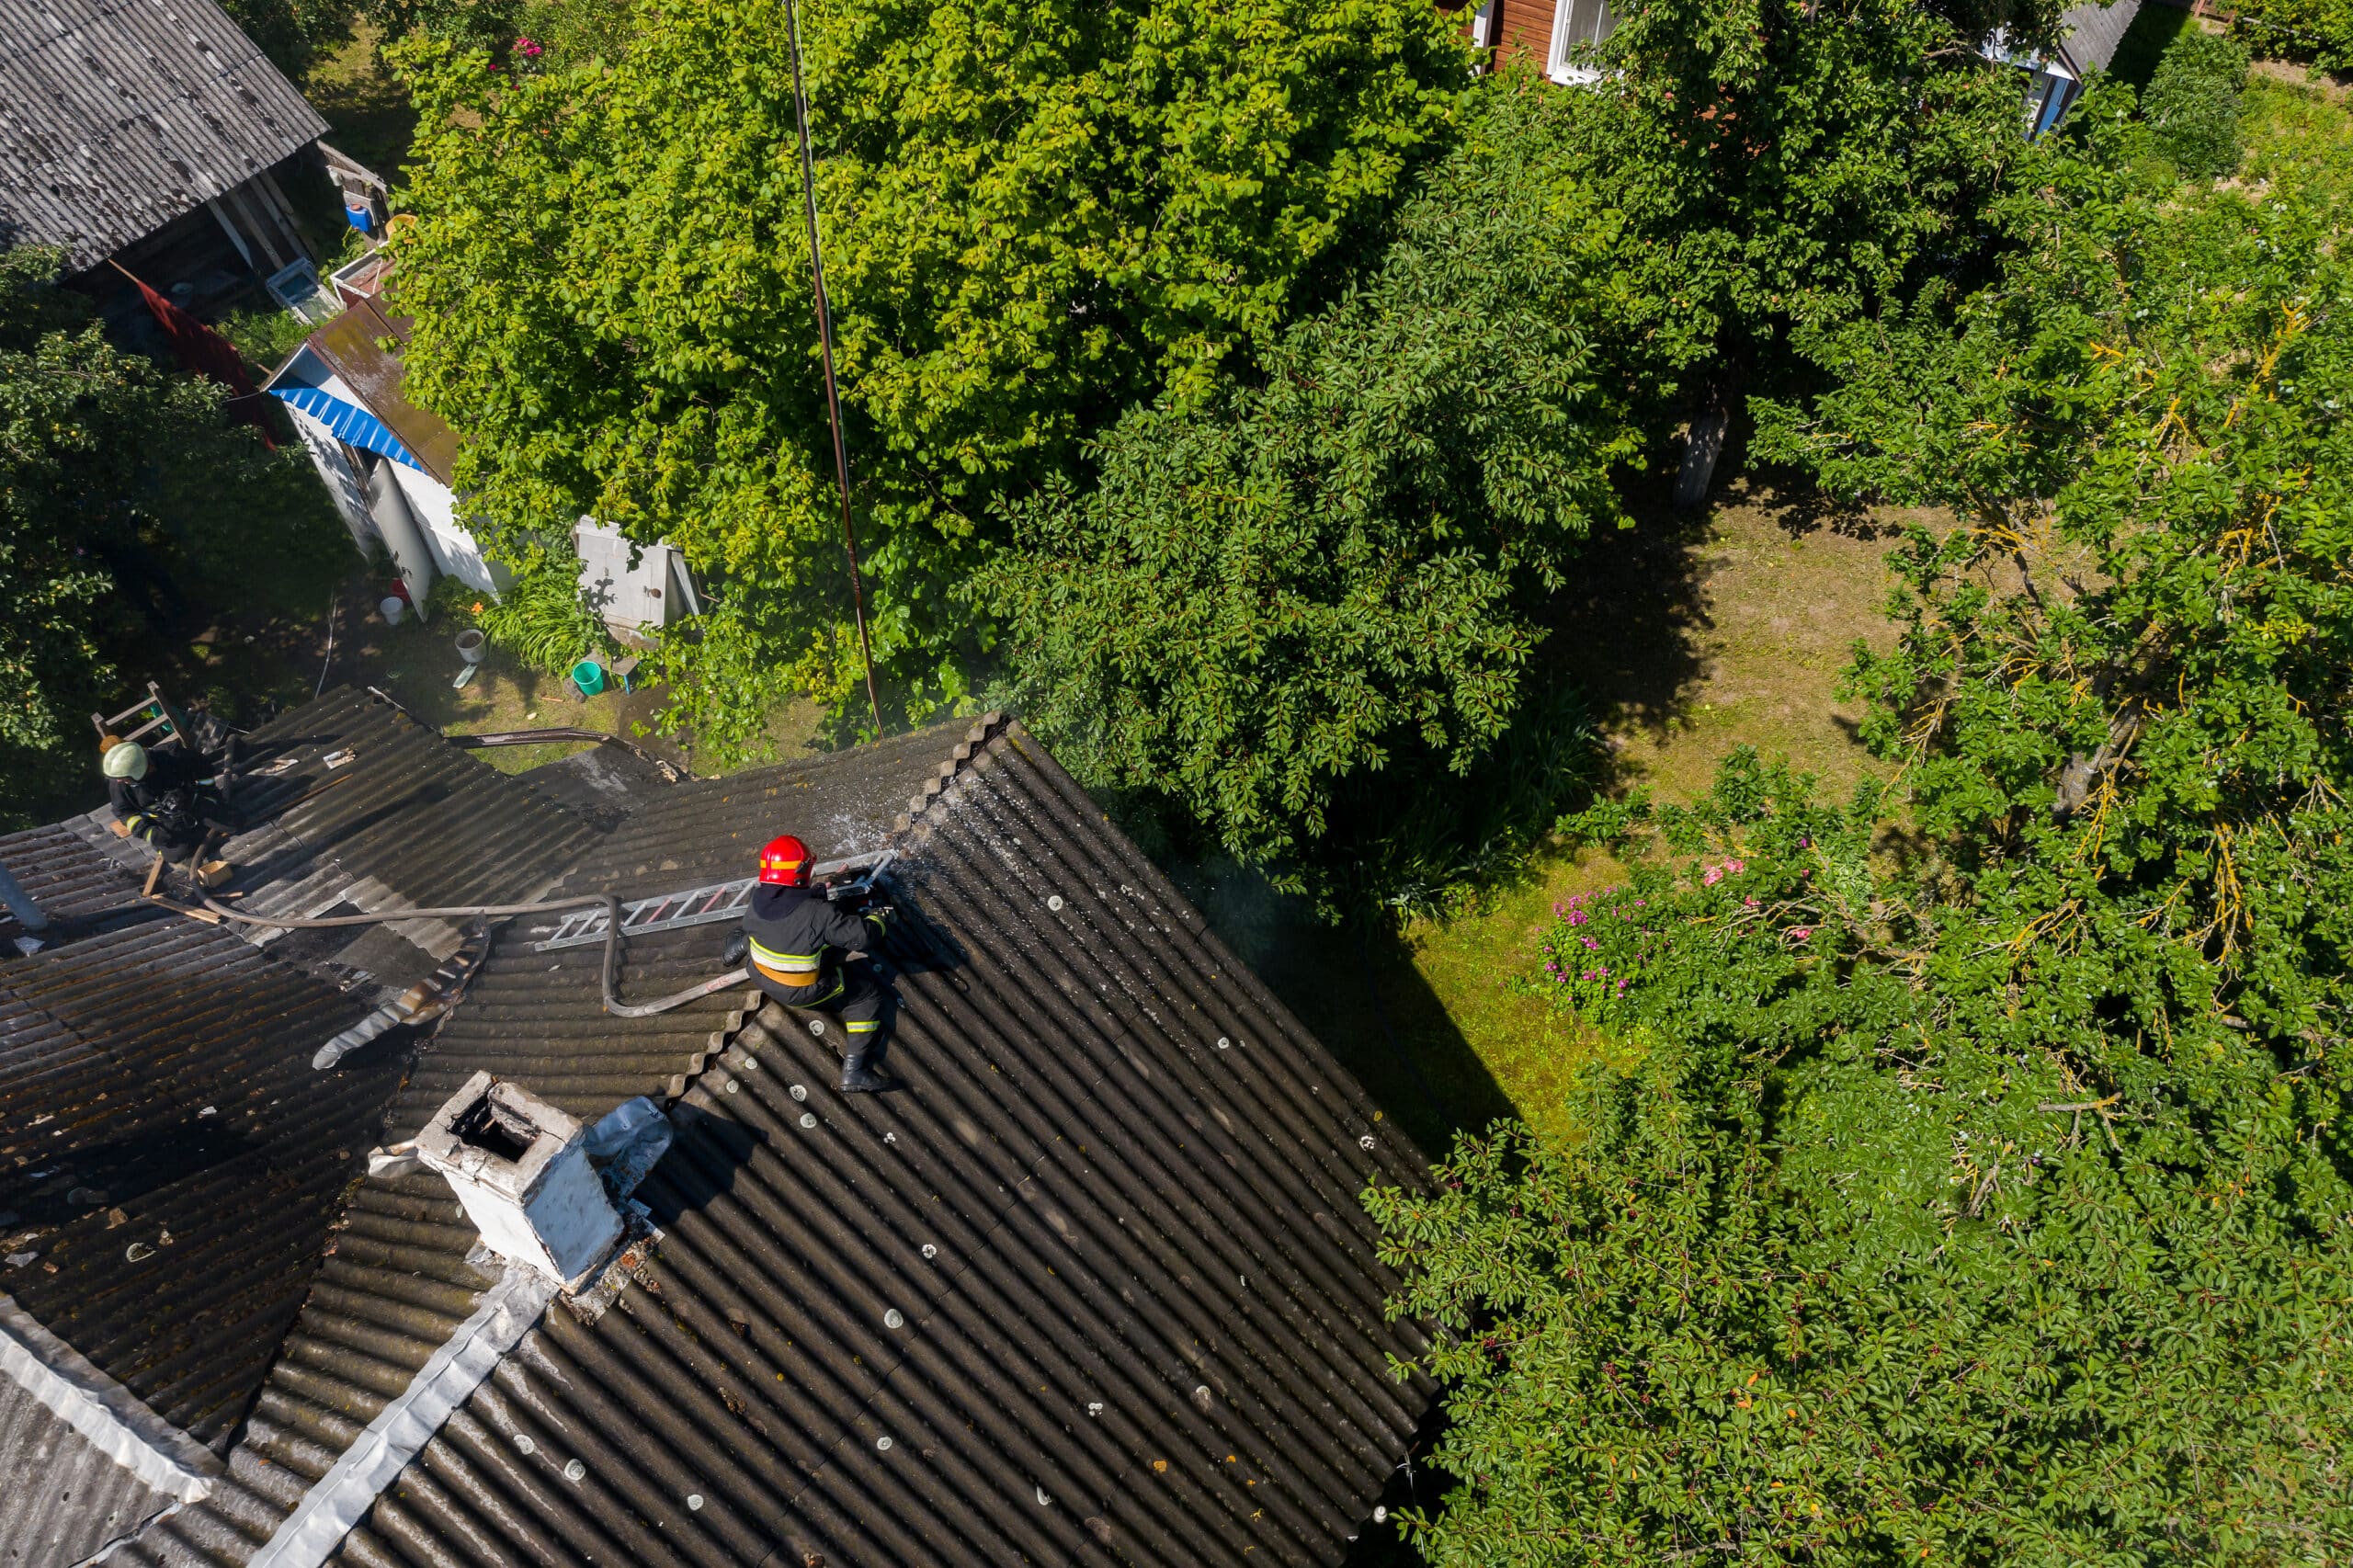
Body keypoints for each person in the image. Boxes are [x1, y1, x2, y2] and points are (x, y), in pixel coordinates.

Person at [724, 835, 899, 1093]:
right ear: (801, 871)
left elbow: (792, 906)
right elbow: (864, 937)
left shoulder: (757, 899)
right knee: (867, 997)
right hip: (799, 990)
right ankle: (855, 1072)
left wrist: (816, 893)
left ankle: (737, 948)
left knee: (758, 932)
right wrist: (879, 919)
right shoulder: (820, 915)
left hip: (759, 974)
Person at [101, 736, 231, 890]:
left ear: (138, 770)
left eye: (124, 778)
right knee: (178, 853)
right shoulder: (119, 784)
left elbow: (203, 766)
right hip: (167, 822)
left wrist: (209, 795)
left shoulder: (171, 756)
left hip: (194, 804)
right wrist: (148, 832)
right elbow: (123, 811)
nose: (120, 781)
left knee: (231, 821)